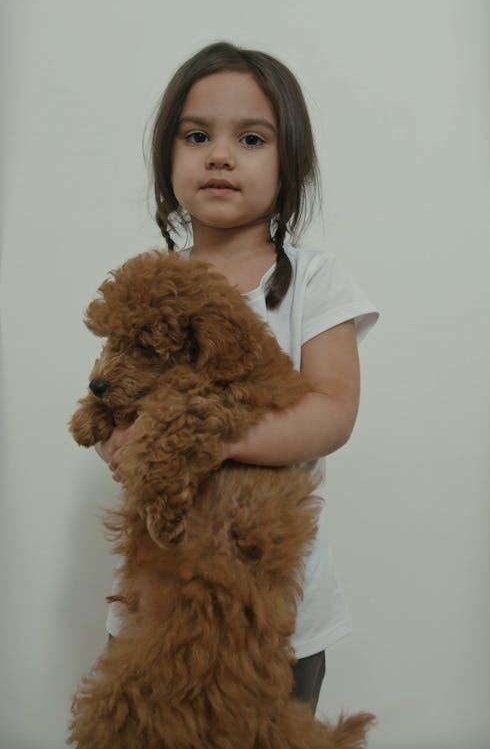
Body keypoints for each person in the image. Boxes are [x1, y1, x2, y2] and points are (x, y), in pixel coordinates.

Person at [97, 41, 379, 715]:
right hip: (160, 590)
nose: (220, 155)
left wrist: (210, 439)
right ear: (169, 159)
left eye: (250, 138)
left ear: (289, 167)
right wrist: (120, 443)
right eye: (197, 136)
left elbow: (332, 409)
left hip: (277, 607)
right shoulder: (152, 284)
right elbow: (111, 398)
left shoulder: (311, 281)